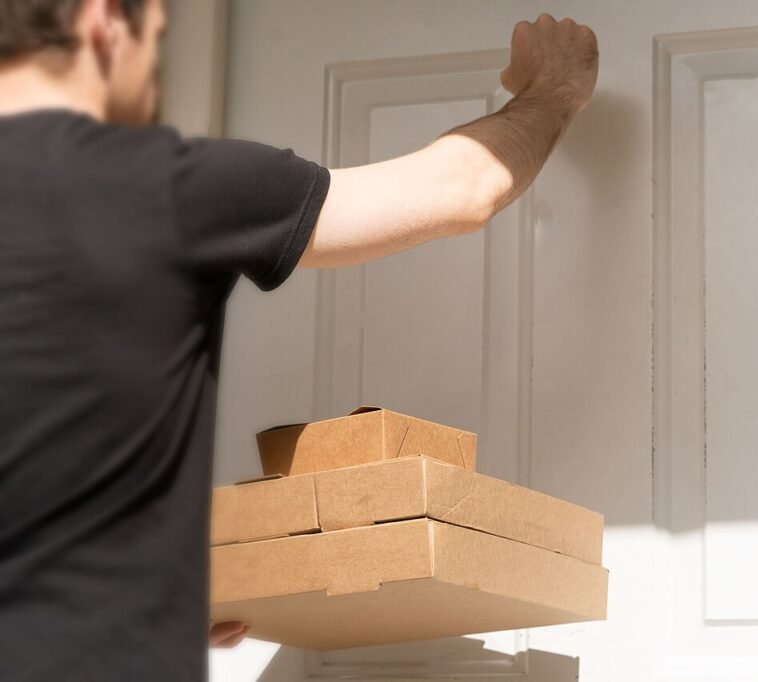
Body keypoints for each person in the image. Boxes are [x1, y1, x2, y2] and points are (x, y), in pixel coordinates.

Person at [0, 0, 598, 679]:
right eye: (155, 49)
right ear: (103, 21)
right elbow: (464, 186)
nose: (154, 82)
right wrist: (553, 92)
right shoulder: (168, 184)